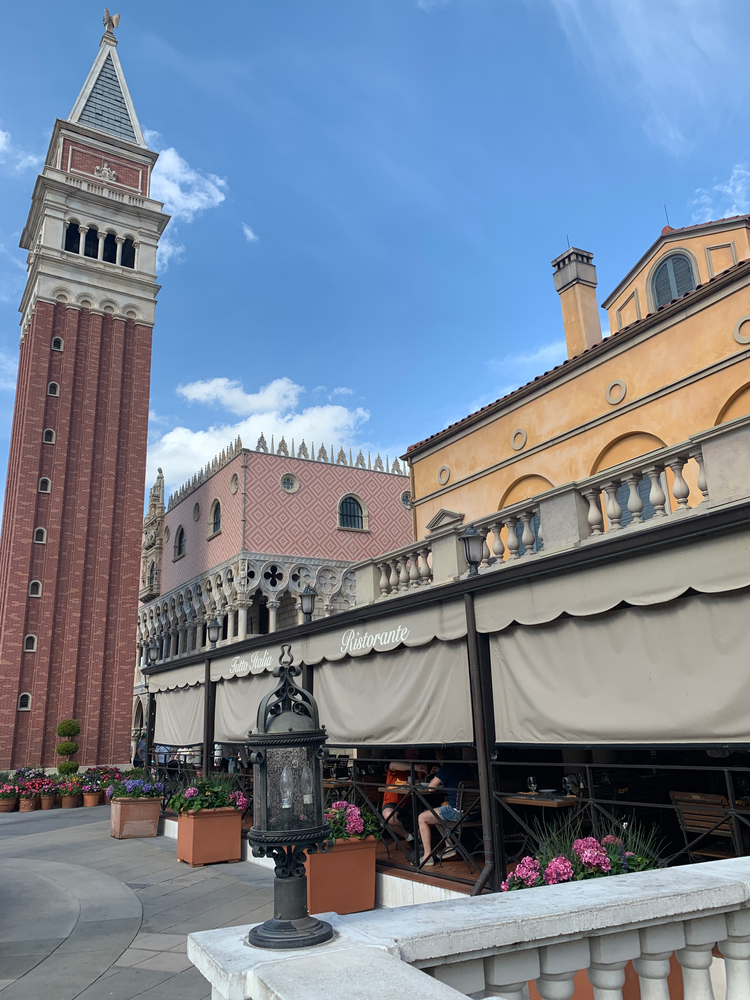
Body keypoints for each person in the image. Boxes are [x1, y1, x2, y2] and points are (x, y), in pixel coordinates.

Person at [417, 757, 472, 867]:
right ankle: (449, 846)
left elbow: (431, 788)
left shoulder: (447, 766)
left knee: (422, 817)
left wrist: (439, 774)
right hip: (473, 811)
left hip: (457, 813)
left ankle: (427, 856)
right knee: (434, 814)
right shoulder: (467, 765)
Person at [381, 748, 427, 843]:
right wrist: (414, 767)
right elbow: (392, 765)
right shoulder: (401, 764)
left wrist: (420, 775)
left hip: (409, 801)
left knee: (429, 814)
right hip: (392, 800)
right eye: (413, 752)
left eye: (417, 753)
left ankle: (419, 839)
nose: (416, 755)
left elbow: (423, 782)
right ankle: (409, 837)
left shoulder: (417, 765)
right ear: (406, 752)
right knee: (389, 817)